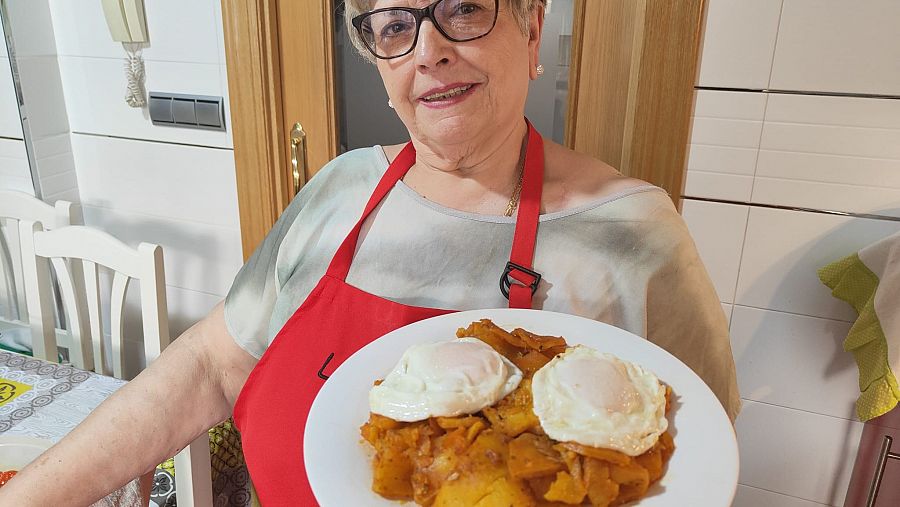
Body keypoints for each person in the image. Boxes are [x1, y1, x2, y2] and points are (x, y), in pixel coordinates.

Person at [0, 0, 740, 505]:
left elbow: (703, 462)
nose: (431, 52)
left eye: (462, 8)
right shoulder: (340, 188)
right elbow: (208, 364)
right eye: (393, 25)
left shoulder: (633, 233)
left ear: (532, 25)